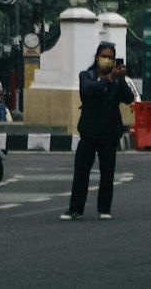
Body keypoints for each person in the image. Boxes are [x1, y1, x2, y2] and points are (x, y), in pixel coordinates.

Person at [62, 42, 133, 221]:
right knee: (81, 172)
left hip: (110, 133)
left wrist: (121, 79)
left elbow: (128, 98)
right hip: (89, 132)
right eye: (104, 56)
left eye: (111, 58)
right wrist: (108, 78)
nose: (107, 60)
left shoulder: (117, 80)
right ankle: (75, 209)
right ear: (97, 57)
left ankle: (104, 209)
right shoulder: (87, 76)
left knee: (107, 173)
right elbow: (87, 92)